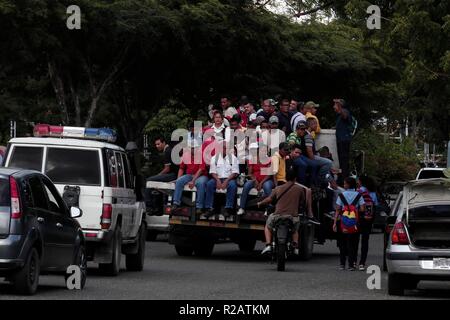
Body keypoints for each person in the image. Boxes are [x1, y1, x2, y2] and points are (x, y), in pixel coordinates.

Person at [258, 168, 306, 255]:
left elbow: (269, 199)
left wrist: (260, 203)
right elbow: (302, 202)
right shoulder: (300, 189)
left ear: (285, 178)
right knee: (295, 230)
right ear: (295, 178)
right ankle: (295, 246)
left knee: (267, 226)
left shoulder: (278, 188)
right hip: (293, 217)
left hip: (277, 216)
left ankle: (268, 245)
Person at [333, 177, 366, 271]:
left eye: (344, 183)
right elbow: (363, 209)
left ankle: (342, 264)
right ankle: (352, 264)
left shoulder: (341, 195)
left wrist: (335, 223)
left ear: (348, 185)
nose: (343, 185)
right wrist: (354, 210)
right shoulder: (359, 195)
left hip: (343, 222)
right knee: (354, 243)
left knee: (342, 243)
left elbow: (338, 209)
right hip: (354, 222)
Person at [204, 142, 240, 218]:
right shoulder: (214, 158)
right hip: (217, 178)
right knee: (209, 184)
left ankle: (228, 208)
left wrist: (226, 181)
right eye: (222, 148)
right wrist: (218, 180)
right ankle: (209, 208)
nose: (224, 149)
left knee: (233, 185)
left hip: (229, 178)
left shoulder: (233, 158)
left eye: (225, 148)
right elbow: (212, 172)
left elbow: (234, 173)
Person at [237, 143, 273, 215]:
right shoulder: (253, 159)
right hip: (254, 179)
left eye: (265, 151)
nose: (263, 152)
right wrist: (255, 181)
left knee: (267, 187)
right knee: (247, 185)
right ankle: (242, 207)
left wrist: (261, 183)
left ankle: (269, 208)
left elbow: (269, 174)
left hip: (266, 180)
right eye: (261, 151)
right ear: (258, 151)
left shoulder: (269, 160)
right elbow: (250, 173)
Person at [145, 136, 178, 213]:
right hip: (173, 173)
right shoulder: (169, 149)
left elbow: (167, 169)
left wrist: (158, 175)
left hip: (173, 175)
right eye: (156, 144)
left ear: (163, 143)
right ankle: (157, 206)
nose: (157, 146)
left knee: (149, 180)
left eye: (158, 144)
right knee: (154, 181)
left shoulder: (167, 151)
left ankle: (149, 206)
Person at [171, 147, 209, 214]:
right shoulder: (186, 155)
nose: (193, 149)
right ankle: (176, 203)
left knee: (201, 183)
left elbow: (201, 169)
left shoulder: (201, 155)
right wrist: (177, 178)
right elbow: (181, 168)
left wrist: (193, 181)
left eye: (194, 147)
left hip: (201, 175)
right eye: (191, 148)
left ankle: (199, 207)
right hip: (190, 175)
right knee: (179, 181)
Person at [356, 175, 378, 270]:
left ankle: (353, 261)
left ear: (361, 182)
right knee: (365, 240)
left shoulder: (359, 191)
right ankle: (362, 263)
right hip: (368, 218)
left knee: (354, 239)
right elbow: (375, 204)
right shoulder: (373, 192)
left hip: (358, 217)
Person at [334, 98, 352, 181]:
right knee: (341, 161)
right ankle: (342, 178)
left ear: (339, 106)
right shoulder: (339, 116)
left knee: (344, 161)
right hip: (341, 140)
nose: (334, 107)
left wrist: (340, 106)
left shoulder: (345, 111)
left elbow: (345, 116)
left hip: (344, 140)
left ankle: (345, 179)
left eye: (335, 105)